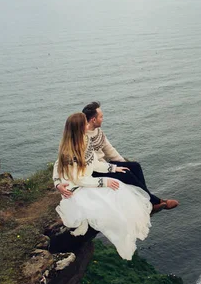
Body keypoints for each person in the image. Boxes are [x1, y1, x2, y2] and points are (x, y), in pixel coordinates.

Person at [54, 113, 152, 260]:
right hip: (76, 189)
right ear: (79, 128)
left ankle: (131, 224)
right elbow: (78, 179)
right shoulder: (68, 152)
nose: (88, 125)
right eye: (85, 124)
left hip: (86, 182)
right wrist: (103, 182)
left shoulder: (85, 140)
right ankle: (124, 232)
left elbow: (94, 164)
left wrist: (113, 168)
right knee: (111, 200)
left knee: (118, 187)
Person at [54, 101, 178, 213]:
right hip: (90, 175)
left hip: (99, 165)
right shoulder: (75, 144)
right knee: (127, 174)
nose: (103, 119)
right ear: (92, 120)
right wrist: (57, 183)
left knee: (134, 166)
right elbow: (61, 166)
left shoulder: (90, 135)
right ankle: (153, 202)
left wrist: (120, 164)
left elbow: (108, 150)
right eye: (101, 116)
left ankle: (148, 200)